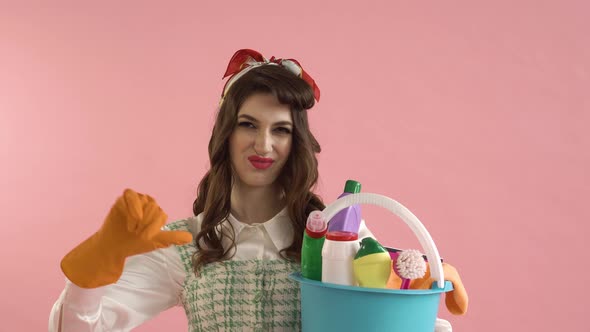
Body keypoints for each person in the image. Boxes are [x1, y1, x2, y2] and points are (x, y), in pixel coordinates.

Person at [49, 49, 463, 331]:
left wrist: (422, 284)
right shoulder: (185, 244)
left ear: (294, 142)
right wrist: (94, 268)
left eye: (280, 130)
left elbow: (403, 318)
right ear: (225, 134)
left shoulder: (336, 236)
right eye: (249, 124)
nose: (263, 145)